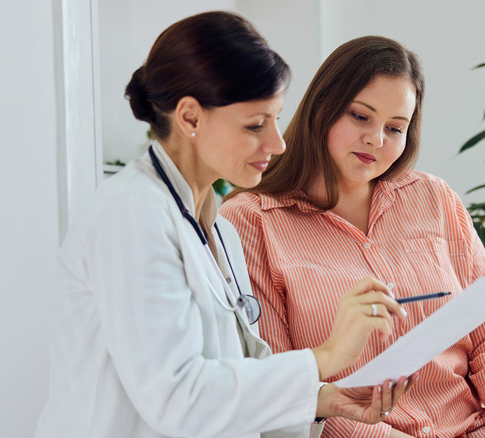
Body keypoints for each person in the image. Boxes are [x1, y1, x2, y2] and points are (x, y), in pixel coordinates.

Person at [34, 13, 420, 438]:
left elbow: (240, 378)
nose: (277, 144)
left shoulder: (221, 232)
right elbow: (179, 399)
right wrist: (326, 356)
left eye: (275, 119)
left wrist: (322, 398)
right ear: (191, 118)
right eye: (256, 125)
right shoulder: (130, 215)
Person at [220, 36, 485, 438]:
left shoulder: (433, 198)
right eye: (361, 117)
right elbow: (284, 385)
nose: (376, 140)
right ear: (321, 107)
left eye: (395, 128)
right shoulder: (250, 222)